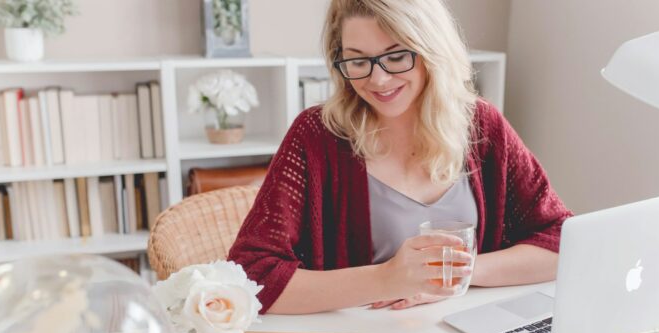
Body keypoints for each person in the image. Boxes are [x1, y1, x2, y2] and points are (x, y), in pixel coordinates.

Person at [228, 0, 572, 314]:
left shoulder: (482, 126)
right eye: (358, 60)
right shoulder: (316, 135)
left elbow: (562, 241)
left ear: (432, 50)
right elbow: (251, 275)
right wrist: (387, 278)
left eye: (396, 56)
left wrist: (454, 274)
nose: (378, 79)